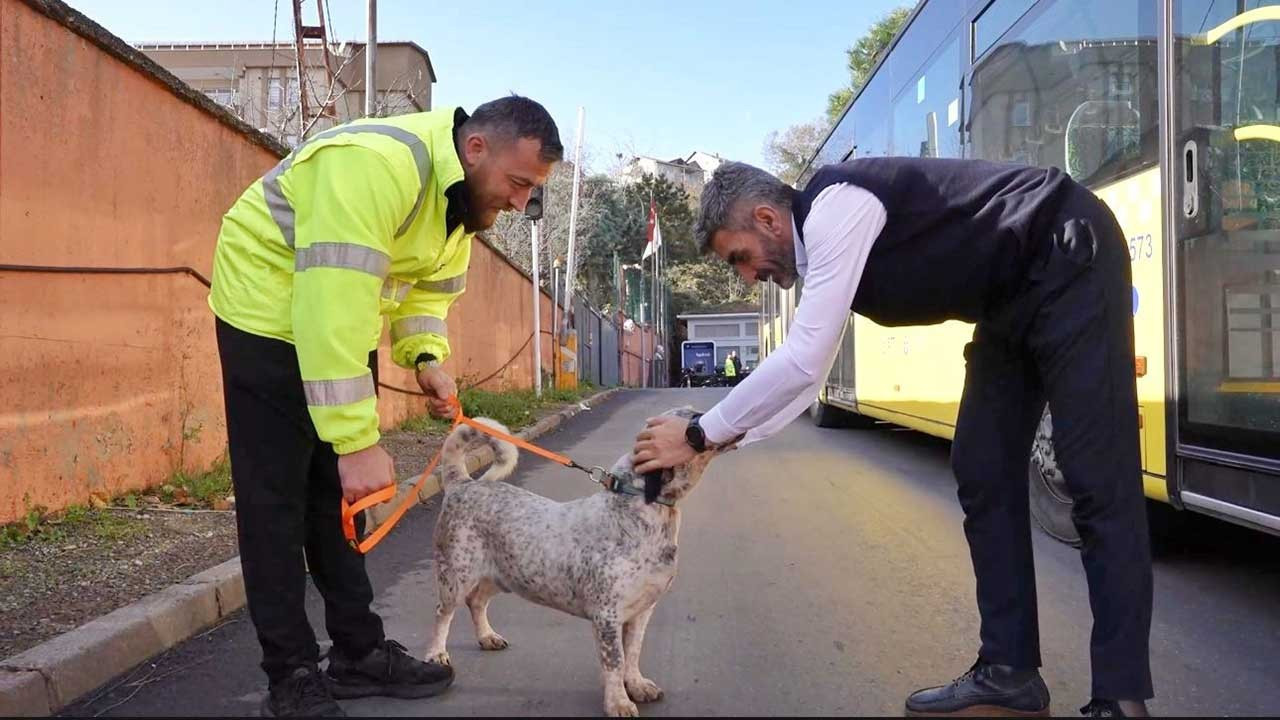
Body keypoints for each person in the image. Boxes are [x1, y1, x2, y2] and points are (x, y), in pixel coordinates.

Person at [631, 159, 1152, 718]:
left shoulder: (836, 209)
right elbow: (810, 377)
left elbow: (804, 361)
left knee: (1097, 480)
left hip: (1067, 249)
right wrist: (709, 438)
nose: (747, 275)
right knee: (982, 469)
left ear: (767, 219)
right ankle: (1010, 674)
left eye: (740, 257)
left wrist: (697, 433)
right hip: (1006, 299)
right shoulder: (825, 247)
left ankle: (1120, 697)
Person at [210, 96, 561, 717]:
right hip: (266, 311)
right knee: (278, 504)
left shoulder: (460, 202)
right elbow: (330, 301)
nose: (519, 202)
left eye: (529, 191)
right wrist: (355, 441)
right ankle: (289, 673)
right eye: (518, 183)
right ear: (476, 148)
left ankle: (356, 653)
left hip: (336, 325)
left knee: (343, 502)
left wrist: (425, 354)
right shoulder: (373, 165)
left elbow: (426, 286)